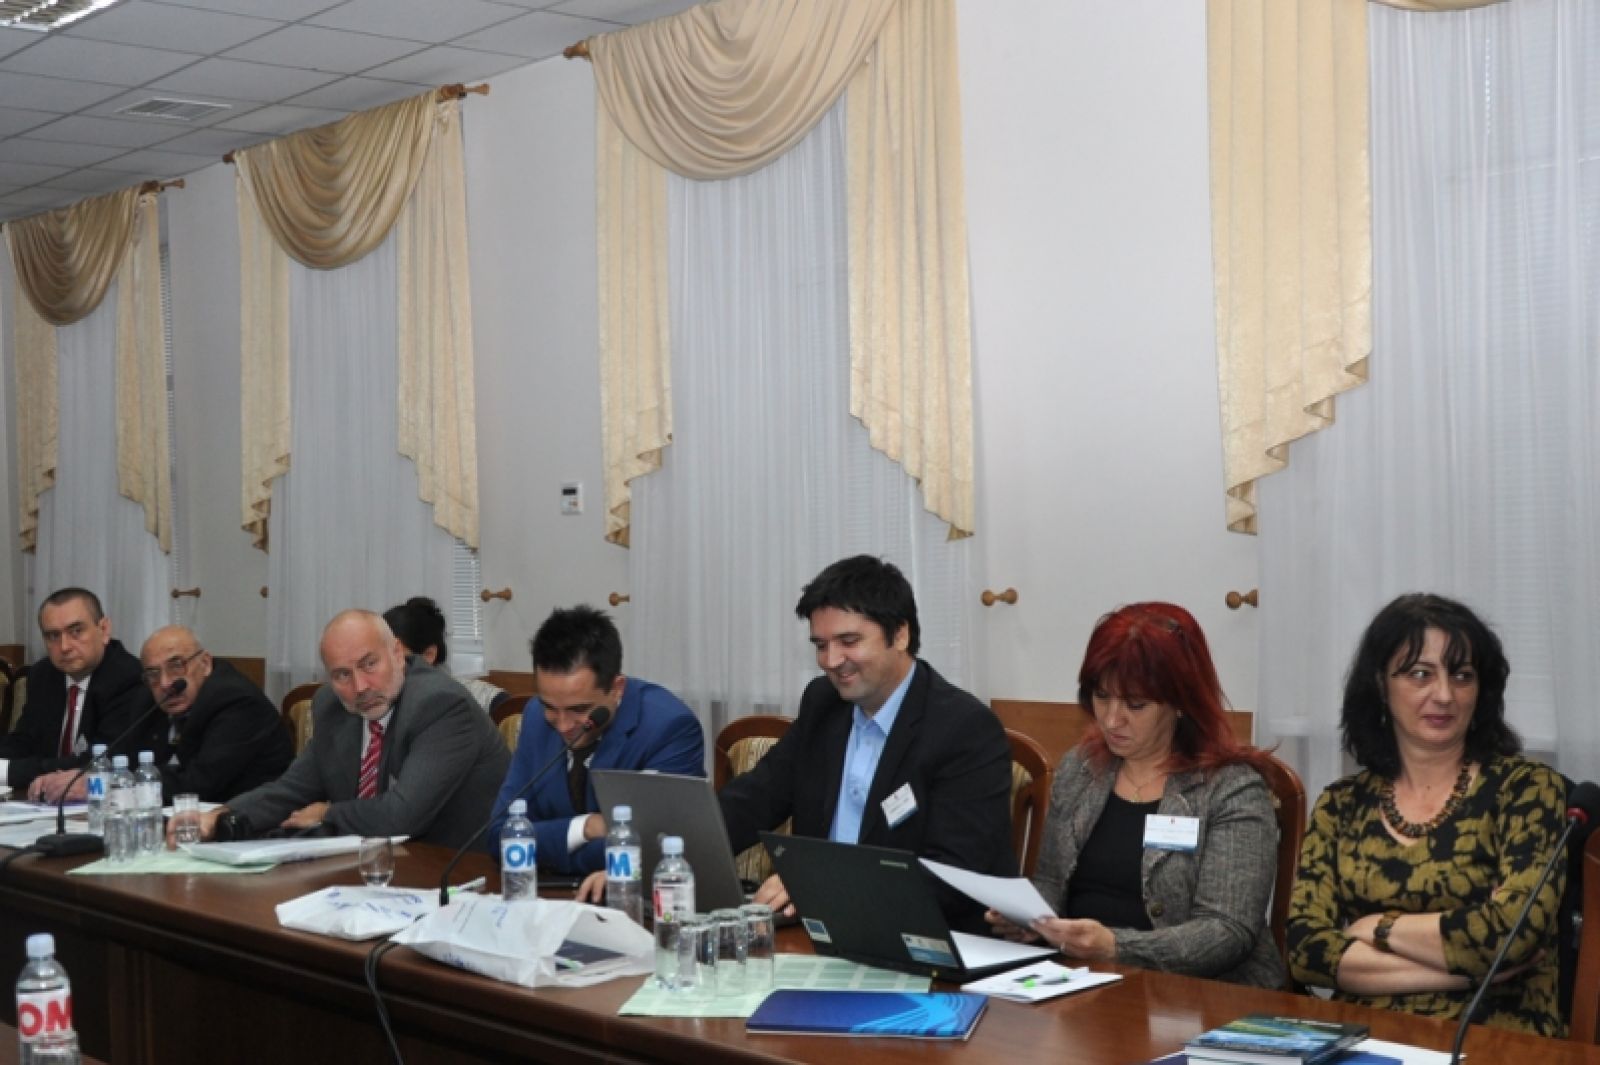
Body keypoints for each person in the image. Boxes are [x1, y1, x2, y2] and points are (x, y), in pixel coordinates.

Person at [1288, 593, 1566, 1035]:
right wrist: (1465, 972)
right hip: (1362, 1037)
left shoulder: (1527, 790)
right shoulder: (1341, 804)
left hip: (1496, 1036)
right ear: (1381, 684)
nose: (1444, 695)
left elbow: (1511, 937)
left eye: (1462, 675)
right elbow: (1305, 950)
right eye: (1420, 674)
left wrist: (1378, 927)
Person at [986, 603, 1284, 987]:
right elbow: (1051, 882)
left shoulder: (1231, 788)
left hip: (1198, 996)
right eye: (1101, 696)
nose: (1112, 719)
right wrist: (1028, 919)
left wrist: (1116, 947)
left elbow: (1226, 931)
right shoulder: (1081, 768)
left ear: (1181, 702)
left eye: (1135, 704)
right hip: (1080, 981)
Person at [715, 555, 1014, 928]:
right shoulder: (823, 703)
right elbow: (756, 799)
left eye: (848, 641)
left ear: (900, 635)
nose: (831, 660)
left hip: (928, 938)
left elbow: (953, 874)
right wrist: (675, 844)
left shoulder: (964, 728)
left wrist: (819, 884)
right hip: (821, 932)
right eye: (820, 645)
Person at [178, 610, 510, 849]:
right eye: (342, 675)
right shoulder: (332, 706)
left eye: (369, 664)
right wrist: (221, 815)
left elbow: (402, 815)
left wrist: (328, 813)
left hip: (461, 871)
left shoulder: (440, 704)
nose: (360, 686)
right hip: (374, 867)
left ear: (397, 653)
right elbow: (291, 789)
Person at [490, 605, 704, 876]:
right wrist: (586, 827)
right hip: (545, 893)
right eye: (550, 707)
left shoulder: (669, 727)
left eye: (579, 709)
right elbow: (501, 837)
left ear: (617, 689)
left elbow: (658, 849)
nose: (563, 725)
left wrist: (547, 846)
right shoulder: (535, 716)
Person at [28, 626, 293, 805]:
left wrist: (101, 787)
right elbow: (120, 757)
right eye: (153, 674)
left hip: (249, 827)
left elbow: (199, 783)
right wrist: (70, 777)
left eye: (177, 666)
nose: (165, 683)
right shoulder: (148, 698)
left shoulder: (237, 702)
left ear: (205, 664)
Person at [7, 588, 148, 800]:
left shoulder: (128, 677)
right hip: (44, 800)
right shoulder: (43, 674)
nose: (64, 647)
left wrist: (6, 771)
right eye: (53, 636)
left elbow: (98, 761)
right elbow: (24, 741)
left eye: (76, 631)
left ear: (104, 629)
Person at [383, 596, 507, 714]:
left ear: (429, 655)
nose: (384, 668)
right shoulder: (379, 701)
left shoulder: (479, 697)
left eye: (396, 657)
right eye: (377, 659)